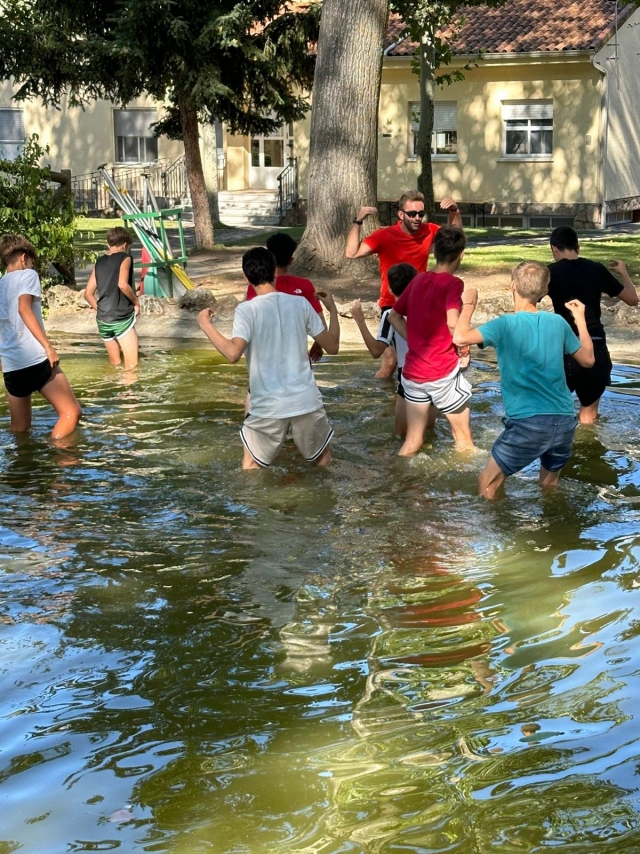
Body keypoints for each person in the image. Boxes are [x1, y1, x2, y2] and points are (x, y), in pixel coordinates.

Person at [453, 261, 595, 499]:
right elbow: (589, 359)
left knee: (487, 483)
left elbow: (459, 337)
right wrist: (580, 318)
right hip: (563, 421)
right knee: (549, 487)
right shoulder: (558, 322)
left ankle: (500, 532)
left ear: (512, 286)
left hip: (527, 423)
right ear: (545, 291)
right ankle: (552, 533)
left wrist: (468, 305)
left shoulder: (504, 324)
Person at [197, 247, 341, 470]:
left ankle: (259, 505)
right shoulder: (300, 303)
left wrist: (206, 325)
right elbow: (332, 346)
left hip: (267, 406)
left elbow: (233, 353)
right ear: (275, 272)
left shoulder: (247, 310)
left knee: (252, 465)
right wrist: (331, 310)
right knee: (324, 461)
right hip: (305, 401)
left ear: (246, 277)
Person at [345, 190, 463, 378]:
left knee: (415, 358)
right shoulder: (384, 235)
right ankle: (385, 403)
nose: (417, 218)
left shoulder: (429, 230)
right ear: (401, 215)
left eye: (421, 214)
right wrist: (358, 221)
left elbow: (456, 242)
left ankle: (405, 398)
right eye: (412, 214)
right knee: (391, 362)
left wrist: (454, 213)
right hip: (392, 307)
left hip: (419, 306)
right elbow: (351, 253)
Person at [388, 227, 475, 456]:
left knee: (413, 441)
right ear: (461, 254)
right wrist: (469, 308)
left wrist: (415, 341)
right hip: (441, 373)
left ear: (434, 249)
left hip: (413, 374)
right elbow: (454, 324)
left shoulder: (417, 280)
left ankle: (397, 484)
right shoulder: (453, 284)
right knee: (464, 442)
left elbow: (394, 316)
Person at [548, 225, 638, 424]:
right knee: (588, 418)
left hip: (563, 350)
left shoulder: (549, 273)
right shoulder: (596, 268)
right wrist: (623, 272)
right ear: (577, 248)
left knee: (554, 412)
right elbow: (632, 299)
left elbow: (526, 303)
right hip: (595, 347)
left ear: (554, 249)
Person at [0, 234, 82, 439]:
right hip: (34, 358)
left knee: (20, 430)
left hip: (11, 364)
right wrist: (48, 346)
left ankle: (24, 469)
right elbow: (23, 309)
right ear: (24, 257)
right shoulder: (28, 275)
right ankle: (58, 457)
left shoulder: (1, 284)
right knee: (71, 413)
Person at [351, 262, 417, 438]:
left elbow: (376, 351)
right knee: (427, 431)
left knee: (400, 436)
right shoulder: (426, 306)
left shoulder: (390, 314)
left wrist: (359, 320)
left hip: (409, 376)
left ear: (389, 288)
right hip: (435, 373)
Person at [246, 232, 325, 363]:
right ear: (291, 260)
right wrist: (319, 344)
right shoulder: (305, 286)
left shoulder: (256, 287)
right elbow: (321, 324)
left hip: (266, 362)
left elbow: (250, 325)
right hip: (298, 362)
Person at [84, 227, 140, 371]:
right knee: (132, 367)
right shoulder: (125, 258)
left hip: (103, 320)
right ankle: (130, 394)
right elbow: (122, 284)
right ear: (125, 244)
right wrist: (136, 302)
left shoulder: (100, 262)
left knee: (115, 365)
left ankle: (114, 390)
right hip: (121, 318)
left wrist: (100, 309)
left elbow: (88, 293)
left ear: (109, 244)